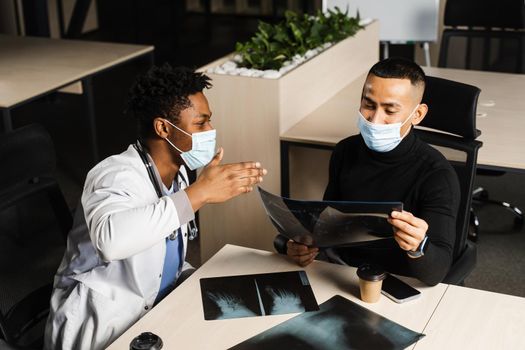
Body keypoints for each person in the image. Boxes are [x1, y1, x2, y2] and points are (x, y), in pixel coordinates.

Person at [44, 64, 267, 349]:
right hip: (101, 324)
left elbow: (162, 257)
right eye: (201, 123)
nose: (211, 131)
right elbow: (111, 241)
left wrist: (206, 281)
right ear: (163, 127)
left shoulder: (180, 173)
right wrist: (197, 195)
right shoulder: (113, 175)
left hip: (152, 313)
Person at [283, 58, 460, 286]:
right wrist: (303, 244)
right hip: (341, 272)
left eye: (390, 110)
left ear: (417, 115)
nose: (375, 120)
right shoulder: (345, 151)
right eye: (369, 105)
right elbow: (329, 224)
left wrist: (418, 247)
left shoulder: (438, 176)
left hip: (396, 281)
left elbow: (437, 272)